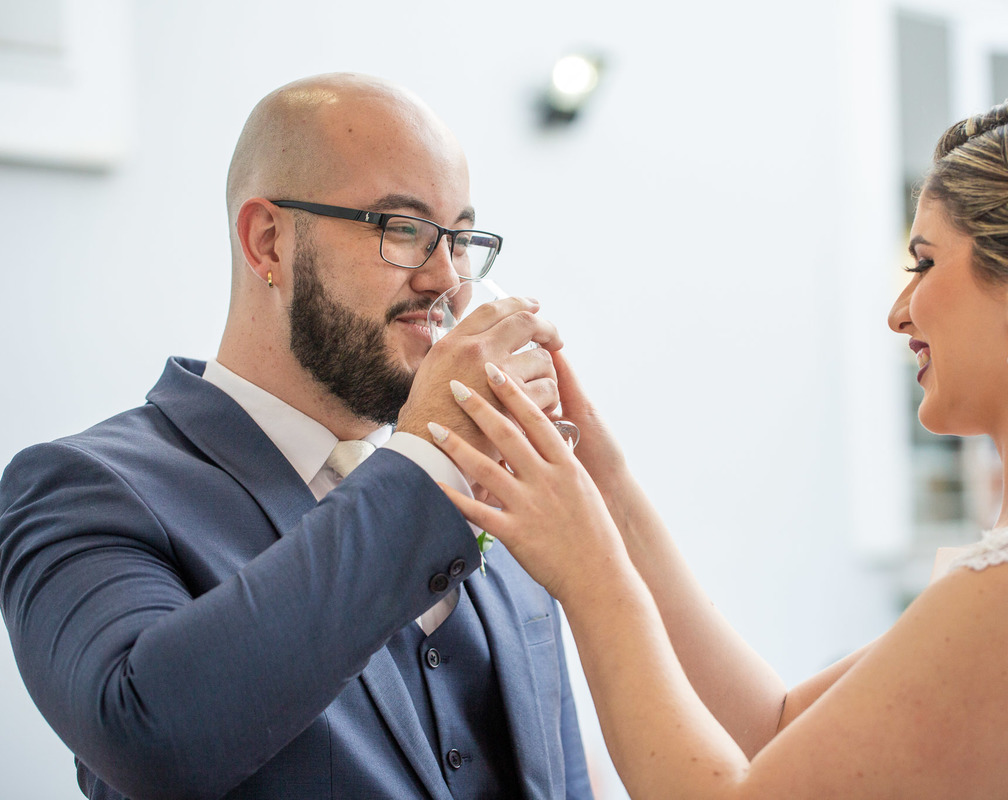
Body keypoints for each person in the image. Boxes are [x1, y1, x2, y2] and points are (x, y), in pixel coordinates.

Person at [428, 57, 1008, 798]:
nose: (900, 311)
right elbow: (777, 728)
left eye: (925, 263)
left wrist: (588, 575)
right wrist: (609, 489)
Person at [0, 73, 593, 799]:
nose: (447, 279)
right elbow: (147, 738)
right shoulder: (83, 490)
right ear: (268, 242)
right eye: (402, 229)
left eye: (462, 239)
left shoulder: (491, 486)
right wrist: (426, 461)